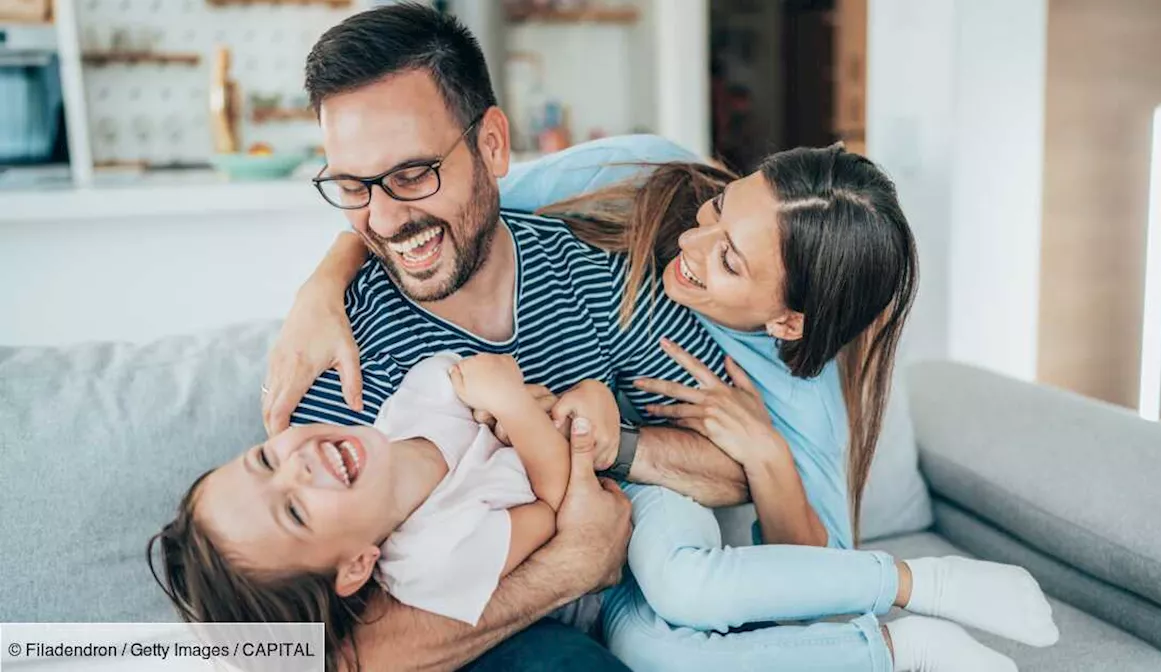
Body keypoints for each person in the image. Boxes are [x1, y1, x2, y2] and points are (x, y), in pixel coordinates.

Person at [273, 139, 1061, 671]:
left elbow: (814, 590)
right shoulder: (647, 177)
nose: (688, 246)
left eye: (726, 260)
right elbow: (447, 205)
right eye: (719, 213)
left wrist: (764, 459)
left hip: (658, 542)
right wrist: (321, 286)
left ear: (788, 319)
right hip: (609, 557)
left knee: (687, 613)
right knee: (662, 652)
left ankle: (911, 628)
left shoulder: (803, 400)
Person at [245, 4, 743, 671]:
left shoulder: (594, 280)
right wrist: (568, 565)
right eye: (352, 186)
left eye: (413, 173)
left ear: (493, 145)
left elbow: (734, 465)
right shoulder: (341, 360)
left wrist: (608, 446)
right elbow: (327, 657)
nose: (386, 219)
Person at [150, 352, 621, 671]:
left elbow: (515, 383)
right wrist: (514, 407)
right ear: (357, 565)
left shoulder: (417, 396)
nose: (299, 465)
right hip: (610, 577)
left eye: (266, 460)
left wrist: (583, 399)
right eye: (294, 512)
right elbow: (559, 511)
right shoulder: (434, 558)